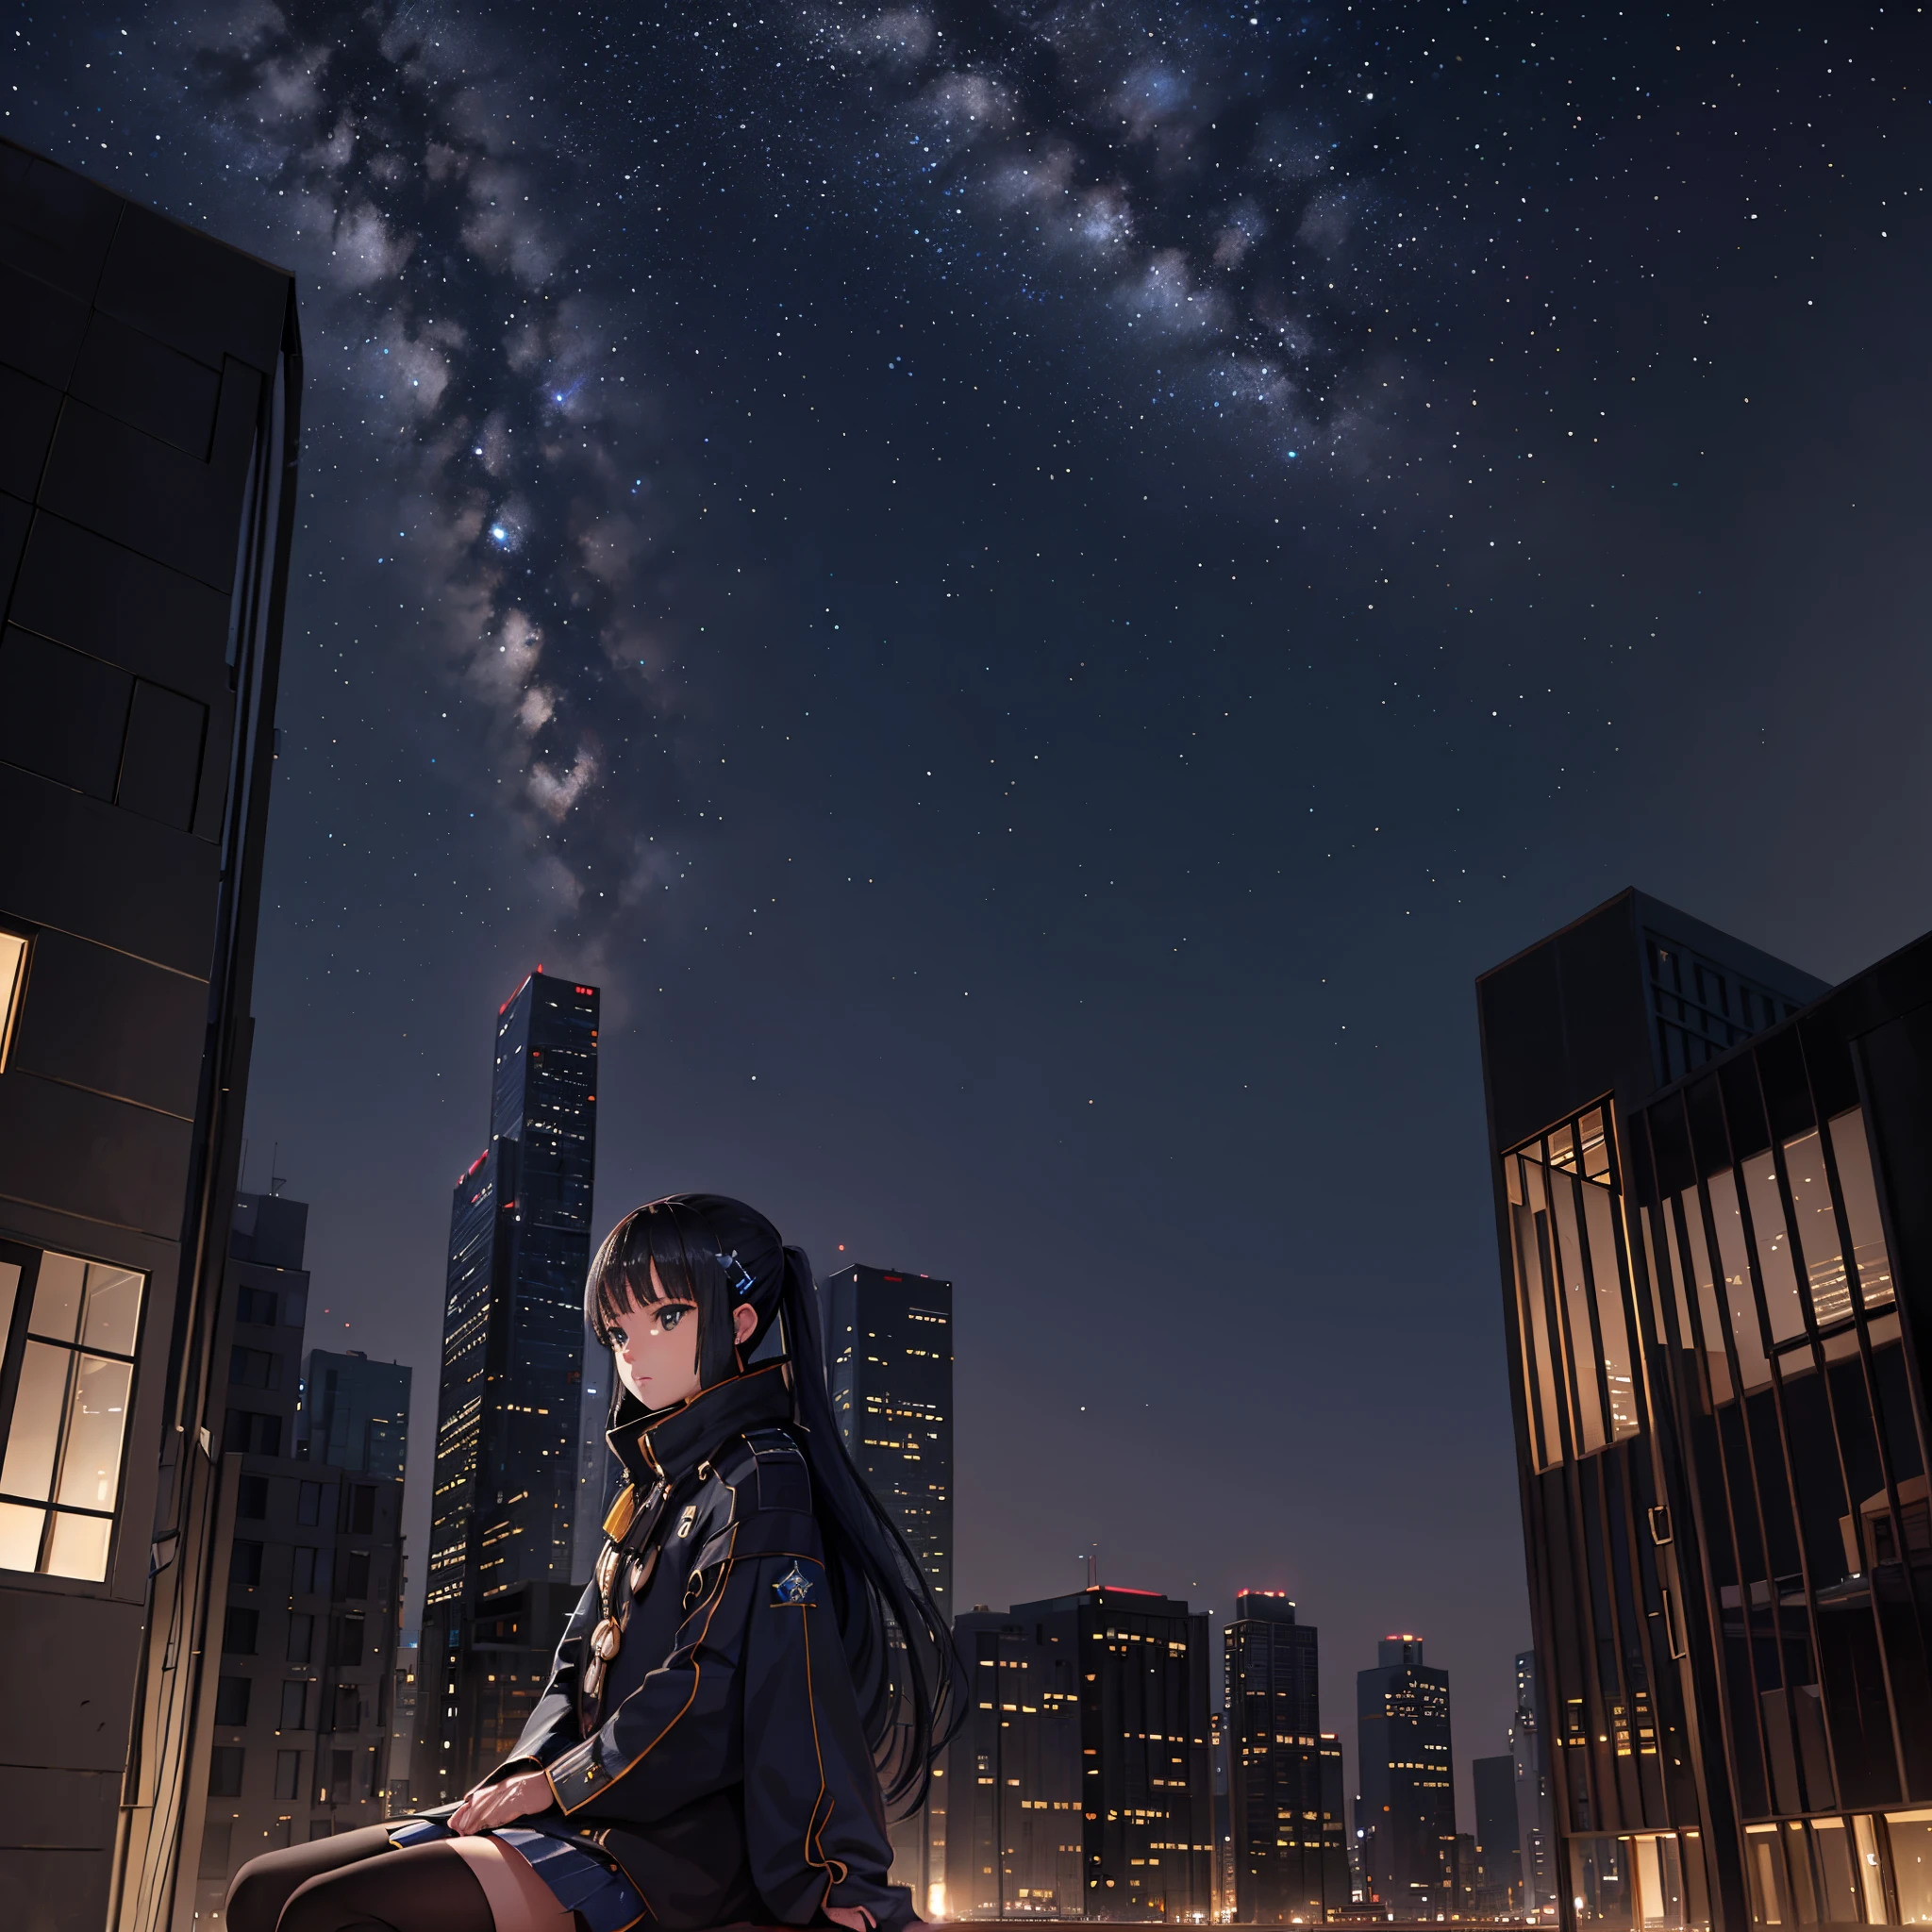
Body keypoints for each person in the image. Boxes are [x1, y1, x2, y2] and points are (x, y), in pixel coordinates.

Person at [226, 1193, 963, 1932]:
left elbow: (715, 1689)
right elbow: (574, 1662)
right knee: (261, 1891)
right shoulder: (659, 1483)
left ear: (741, 1325)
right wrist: (527, 1776)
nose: (634, 1351)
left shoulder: (762, 1477)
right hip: (586, 1804)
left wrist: (560, 1784)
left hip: (677, 1842)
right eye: (617, 1330)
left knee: (325, 1913)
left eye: (666, 1317)